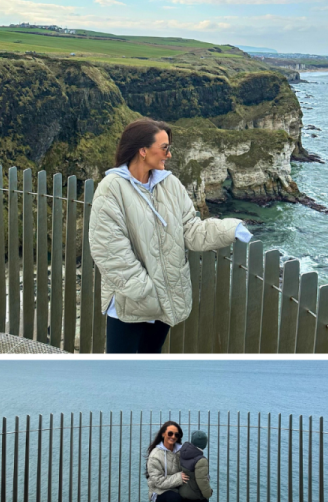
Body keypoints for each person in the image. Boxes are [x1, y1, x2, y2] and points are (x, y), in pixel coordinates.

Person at [88, 118, 252, 353]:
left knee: (149, 366)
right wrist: (146, 291)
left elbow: (191, 230)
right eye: (164, 148)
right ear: (143, 151)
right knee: (120, 374)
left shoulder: (171, 184)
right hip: (132, 303)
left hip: (163, 300)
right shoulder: (111, 188)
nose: (169, 155)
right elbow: (110, 251)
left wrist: (229, 229)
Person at [146, 421, 189, 502]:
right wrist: (179, 477)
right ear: (163, 434)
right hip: (158, 490)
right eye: (170, 433)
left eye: (176, 434)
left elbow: (190, 465)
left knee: (191, 497)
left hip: (174, 487)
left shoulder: (181, 451)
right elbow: (159, 482)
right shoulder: (155, 455)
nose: (173, 436)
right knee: (174, 498)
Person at [177, 430, 219, 502]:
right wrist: (208, 493)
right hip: (192, 492)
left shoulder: (183, 452)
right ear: (204, 443)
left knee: (197, 493)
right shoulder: (201, 460)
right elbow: (202, 481)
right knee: (203, 498)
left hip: (183, 490)